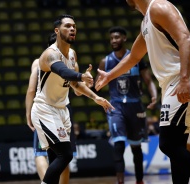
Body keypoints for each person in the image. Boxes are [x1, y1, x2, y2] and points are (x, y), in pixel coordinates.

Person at [95, 0, 190, 183]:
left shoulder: (159, 6)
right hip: (172, 83)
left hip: (182, 79)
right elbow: (134, 56)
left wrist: (183, 79)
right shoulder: (146, 21)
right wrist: (109, 76)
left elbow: (186, 38)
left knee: (167, 144)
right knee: (177, 146)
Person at [30, 14, 114, 184]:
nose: (72, 29)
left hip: (62, 110)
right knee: (65, 154)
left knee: (56, 157)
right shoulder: (49, 54)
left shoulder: (72, 55)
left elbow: (74, 84)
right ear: (57, 30)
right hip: (45, 109)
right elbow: (63, 71)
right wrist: (81, 75)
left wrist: (95, 97)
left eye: (74, 26)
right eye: (67, 26)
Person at [96, 26, 158, 184]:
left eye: (117, 37)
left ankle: (139, 181)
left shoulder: (136, 58)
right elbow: (97, 85)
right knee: (118, 144)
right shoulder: (106, 61)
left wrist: (154, 95)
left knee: (136, 148)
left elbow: (148, 80)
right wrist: (89, 84)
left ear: (124, 38)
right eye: (111, 38)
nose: (114, 41)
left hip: (136, 106)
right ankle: (120, 182)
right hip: (116, 106)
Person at [26, 32, 90, 182]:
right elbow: (77, 89)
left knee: (55, 154)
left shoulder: (44, 61)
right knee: (62, 154)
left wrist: (90, 89)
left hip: (59, 109)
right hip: (46, 109)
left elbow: (77, 88)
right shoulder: (49, 60)